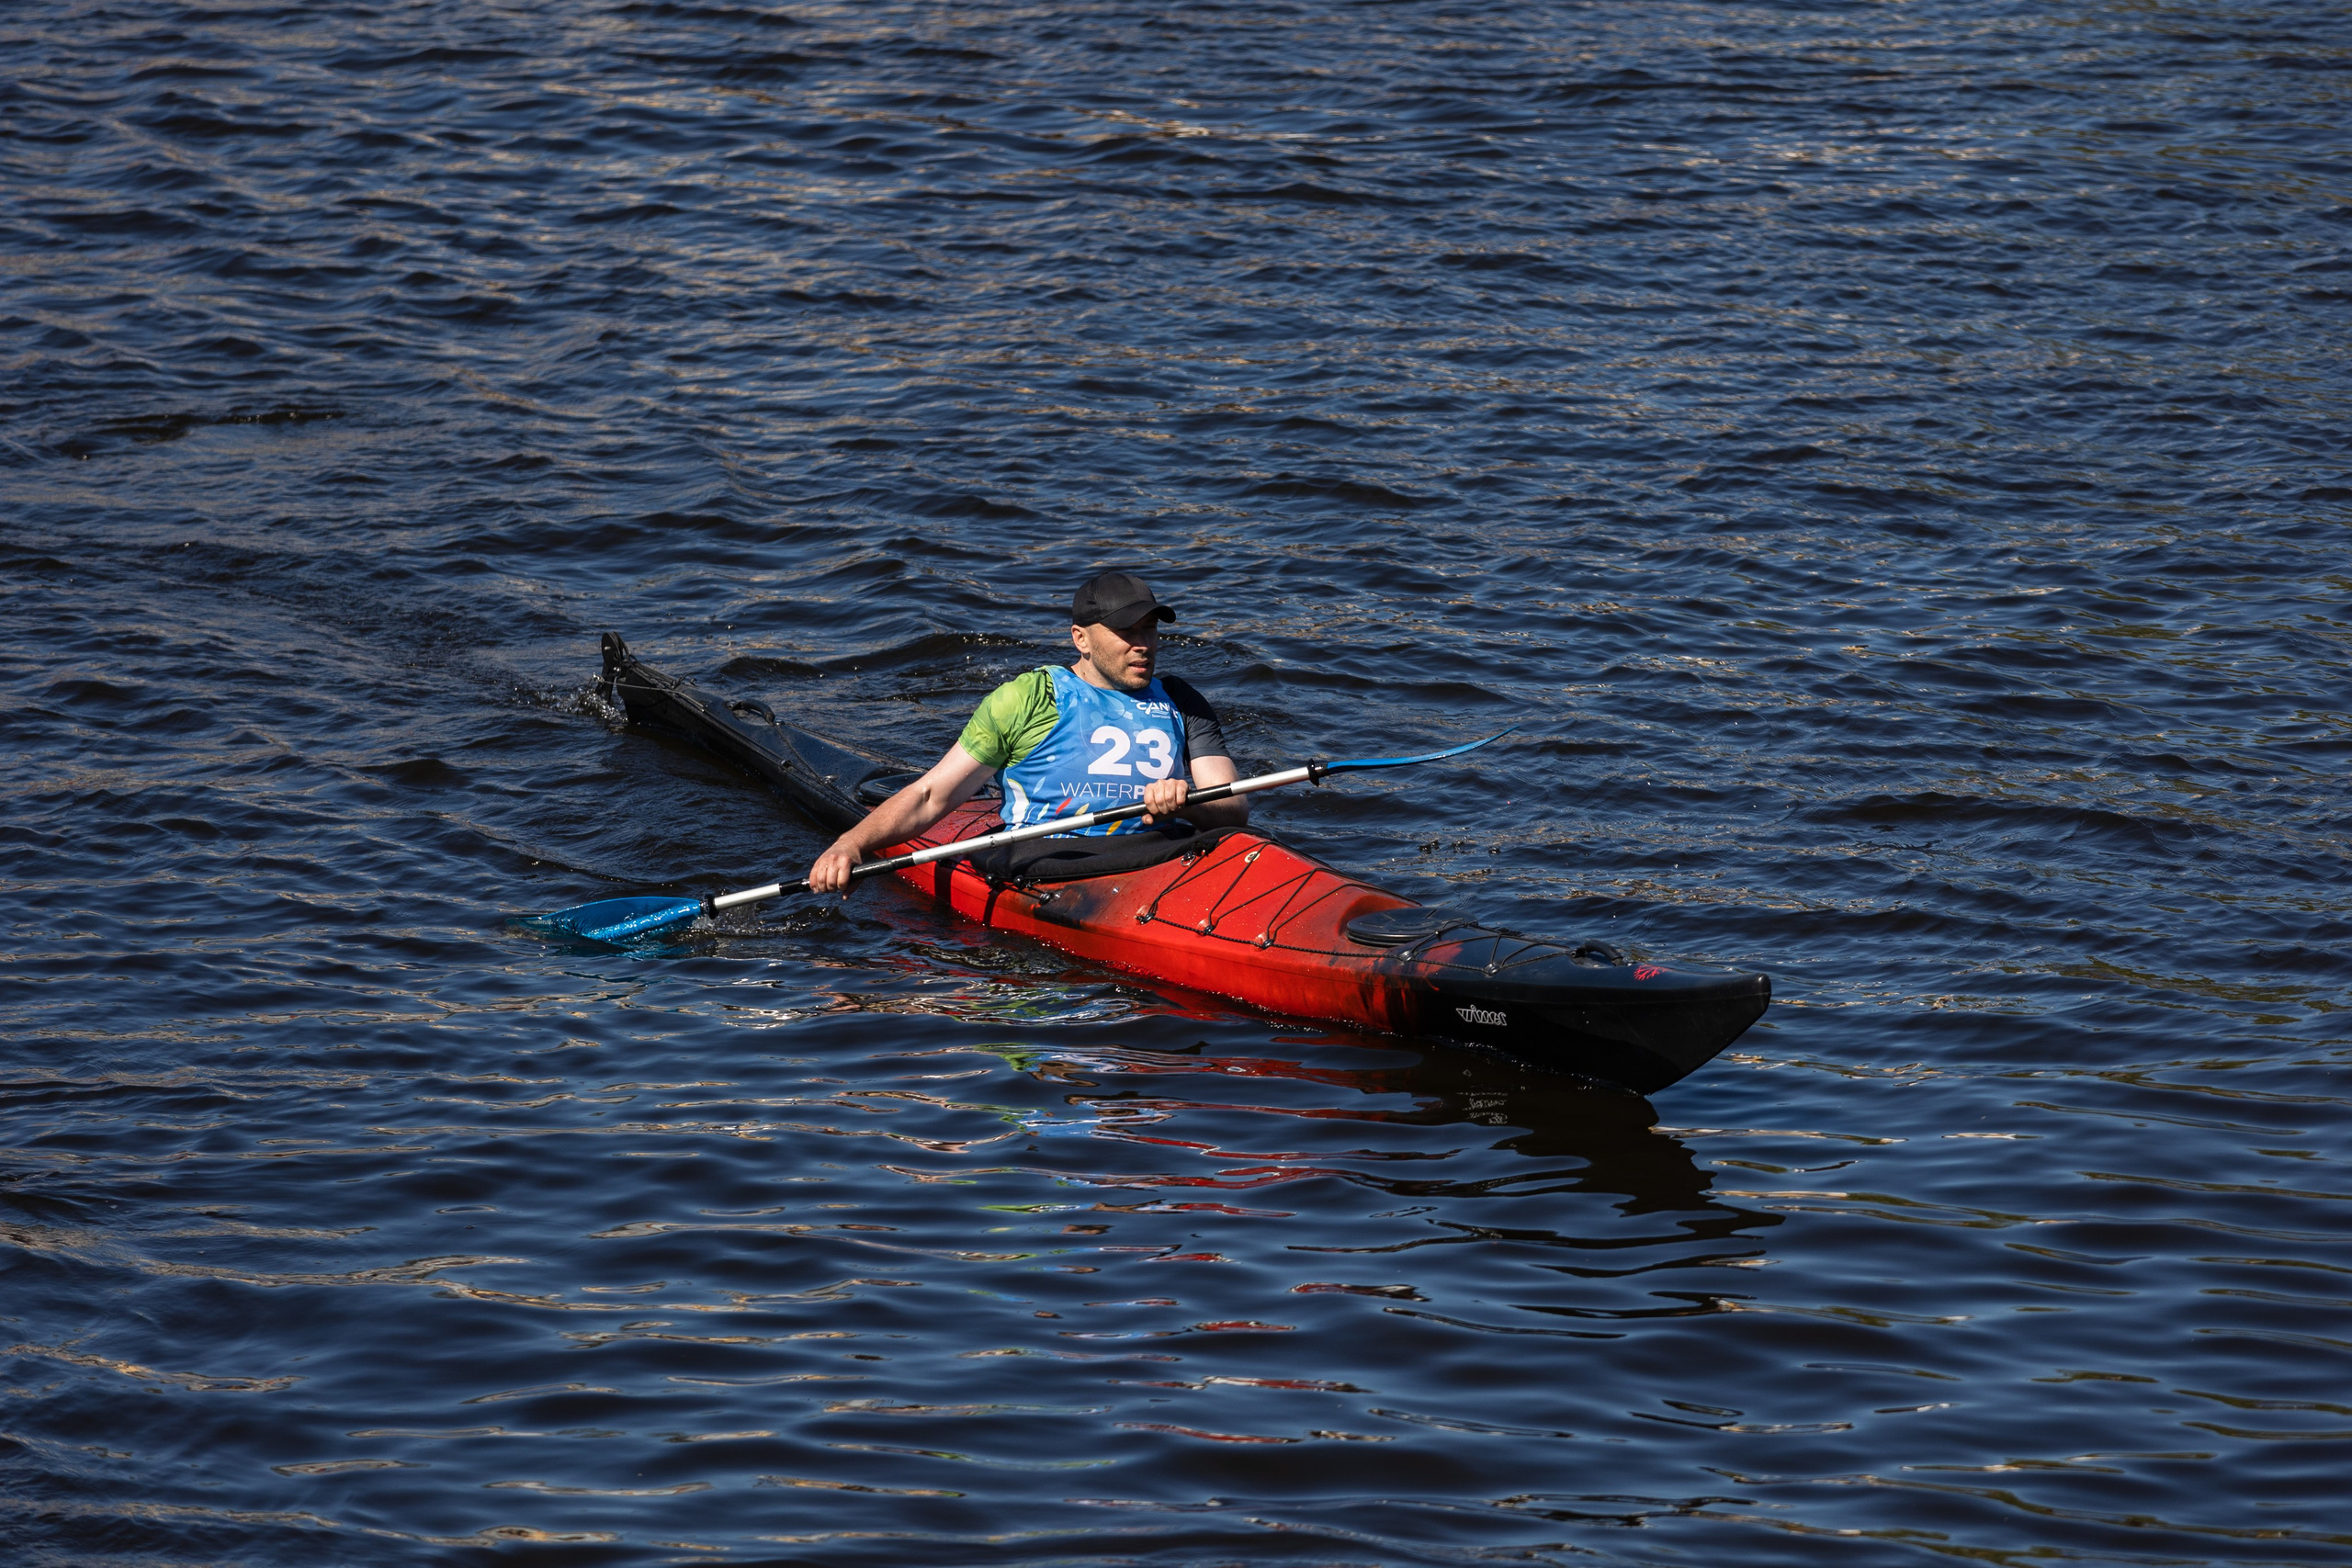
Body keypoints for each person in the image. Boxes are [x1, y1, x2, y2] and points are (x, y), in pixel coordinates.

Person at [808, 571, 1246, 893]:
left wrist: (1188, 806)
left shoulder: (1181, 699)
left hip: (1162, 850)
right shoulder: (1030, 697)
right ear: (1081, 639)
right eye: (1125, 632)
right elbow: (932, 796)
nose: (1143, 644)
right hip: (1051, 859)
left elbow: (1233, 809)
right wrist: (852, 844)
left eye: (1150, 630)